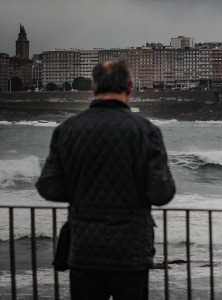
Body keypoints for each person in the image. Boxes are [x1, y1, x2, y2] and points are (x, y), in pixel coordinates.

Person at [36, 60, 176, 300]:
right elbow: (162, 193)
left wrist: (80, 192)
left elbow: (49, 187)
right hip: (131, 250)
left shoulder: (68, 129)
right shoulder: (146, 131)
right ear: (129, 87)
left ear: (93, 88)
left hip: (84, 249)